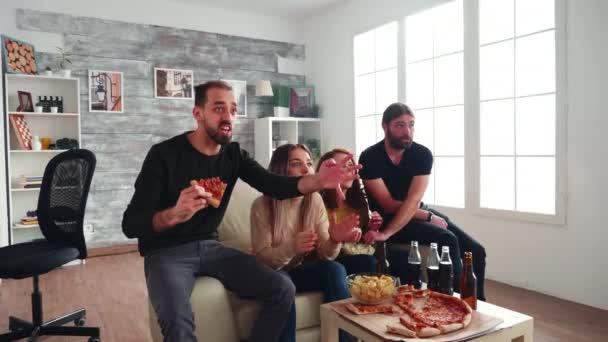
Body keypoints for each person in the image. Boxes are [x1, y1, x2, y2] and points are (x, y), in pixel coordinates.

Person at [122, 80, 361, 342]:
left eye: (233, 110)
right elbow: (131, 224)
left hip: (211, 248)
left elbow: (274, 185)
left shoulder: (233, 155)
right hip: (167, 252)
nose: (228, 117)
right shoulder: (164, 155)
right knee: (177, 321)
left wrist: (320, 181)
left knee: (282, 287)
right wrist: (173, 214)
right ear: (198, 113)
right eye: (218, 109)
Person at [359, 102, 487, 301]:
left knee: (476, 251)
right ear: (385, 126)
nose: (407, 131)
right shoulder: (369, 157)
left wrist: (425, 214)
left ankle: (477, 305)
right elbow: (388, 205)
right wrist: (422, 218)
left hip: (416, 210)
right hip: (387, 218)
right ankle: (453, 302)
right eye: (400, 125)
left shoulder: (421, 154)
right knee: (448, 239)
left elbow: (414, 199)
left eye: (411, 125)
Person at [250, 143, 374, 342]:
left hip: (299, 271)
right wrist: (291, 247)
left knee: (334, 269)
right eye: (296, 164)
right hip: (273, 274)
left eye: (308, 163)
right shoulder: (262, 205)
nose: (306, 169)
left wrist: (334, 238)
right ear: (281, 169)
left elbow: (326, 255)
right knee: (284, 282)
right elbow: (262, 258)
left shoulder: (314, 199)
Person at [316, 148, 384, 273]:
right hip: (329, 258)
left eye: (351, 165)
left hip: (356, 254)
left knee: (396, 256)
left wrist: (372, 229)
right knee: (368, 262)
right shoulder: (318, 201)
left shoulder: (358, 201)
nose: (349, 170)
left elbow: (362, 241)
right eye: (343, 166)